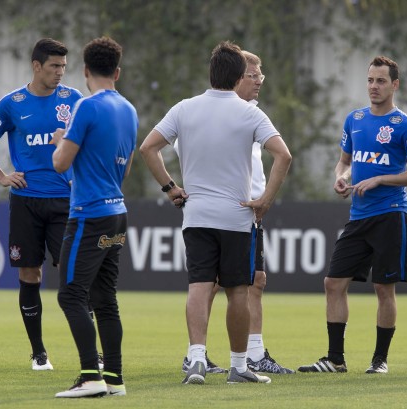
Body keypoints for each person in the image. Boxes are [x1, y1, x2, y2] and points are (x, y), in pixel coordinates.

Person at [140, 41, 292, 385]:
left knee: (199, 284)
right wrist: (266, 199)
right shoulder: (250, 112)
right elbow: (284, 155)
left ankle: (196, 358)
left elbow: (148, 148)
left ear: (210, 73)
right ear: (239, 75)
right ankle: (239, 366)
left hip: (196, 215)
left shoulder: (184, 109)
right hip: (237, 217)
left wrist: (171, 188)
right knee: (239, 290)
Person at [298, 56, 407, 374]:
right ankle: (335, 359)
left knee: (384, 289)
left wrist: (381, 179)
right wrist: (340, 176)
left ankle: (379, 360)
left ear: (395, 85)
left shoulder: (404, 125)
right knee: (333, 282)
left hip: (390, 215)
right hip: (358, 216)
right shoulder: (354, 119)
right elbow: (345, 161)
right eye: (370, 80)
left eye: (381, 81)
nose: (373, 86)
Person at [180, 50, 294, 375]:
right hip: (233, 212)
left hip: (249, 213)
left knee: (252, 281)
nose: (259, 81)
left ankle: (243, 353)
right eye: (253, 75)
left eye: (261, 75)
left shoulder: (251, 114)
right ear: (235, 78)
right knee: (222, 284)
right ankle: (214, 355)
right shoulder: (225, 115)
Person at [0, 38, 83, 371]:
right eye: (54, 66)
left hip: (66, 201)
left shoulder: (74, 99)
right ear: (36, 66)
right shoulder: (12, 103)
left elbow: (90, 142)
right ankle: (38, 353)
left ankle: (91, 354)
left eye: (64, 66)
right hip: (26, 202)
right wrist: (1, 175)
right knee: (29, 272)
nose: (60, 72)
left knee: (76, 277)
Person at [51, 36, 138, 398]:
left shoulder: (86, 107)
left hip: (88, 214)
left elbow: (60, 163)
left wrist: (60, 141)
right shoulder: (130, 110)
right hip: (117, 212)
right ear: (117, 71)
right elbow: (125, 170)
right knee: (105, 298)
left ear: (85, 70)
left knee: (71, 295)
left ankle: (90, 375)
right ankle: (114, 377)